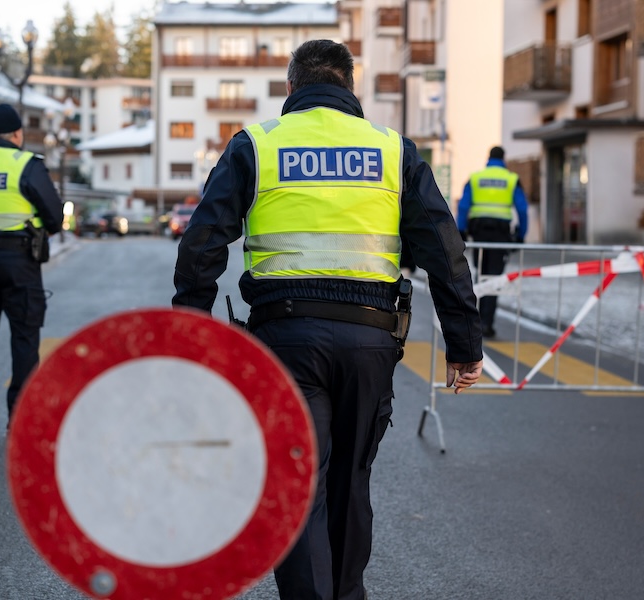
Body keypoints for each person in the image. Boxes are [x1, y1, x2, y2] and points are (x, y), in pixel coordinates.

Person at [172, 40, 484, 600]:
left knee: (298, 484)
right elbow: (444, 249)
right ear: (350, 89)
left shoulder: (258, 144)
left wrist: (191, 332)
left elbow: (202, 242)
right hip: (370, 339)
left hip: (285, 339)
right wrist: (465, 343)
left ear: (292, 87)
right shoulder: (393, 150)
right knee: (350, 481)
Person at [0, 104, 63, 428]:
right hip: (19, 259)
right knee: (24, 335)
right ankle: (19, 415)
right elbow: (55, 216)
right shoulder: (25, 164)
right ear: (17, 134)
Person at [456, 146, 529, 338]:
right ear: (503, 159)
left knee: (480, 275)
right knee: (494, 279)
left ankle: (474, 323)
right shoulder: (511, 179)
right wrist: (521, 235)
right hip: (500, 235)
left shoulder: (476, 178)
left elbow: (463, 206)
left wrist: (461, 231)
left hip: (479, 233)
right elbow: (522, 210)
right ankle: (486, 324)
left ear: (488, 158)